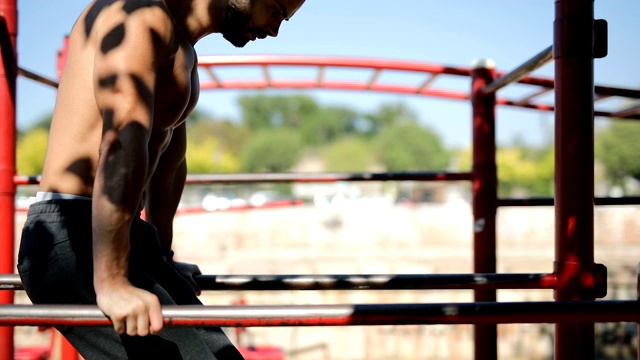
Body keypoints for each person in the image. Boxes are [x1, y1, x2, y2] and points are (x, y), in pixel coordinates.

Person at [17, 0, 305, 358]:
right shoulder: (138, 15)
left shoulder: (184, 47)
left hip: (125, 240)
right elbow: (123, 139)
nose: (275, 30)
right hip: (74, 238)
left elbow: (169, 166)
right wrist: (111, 283)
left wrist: (162, 256)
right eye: (276, 10)